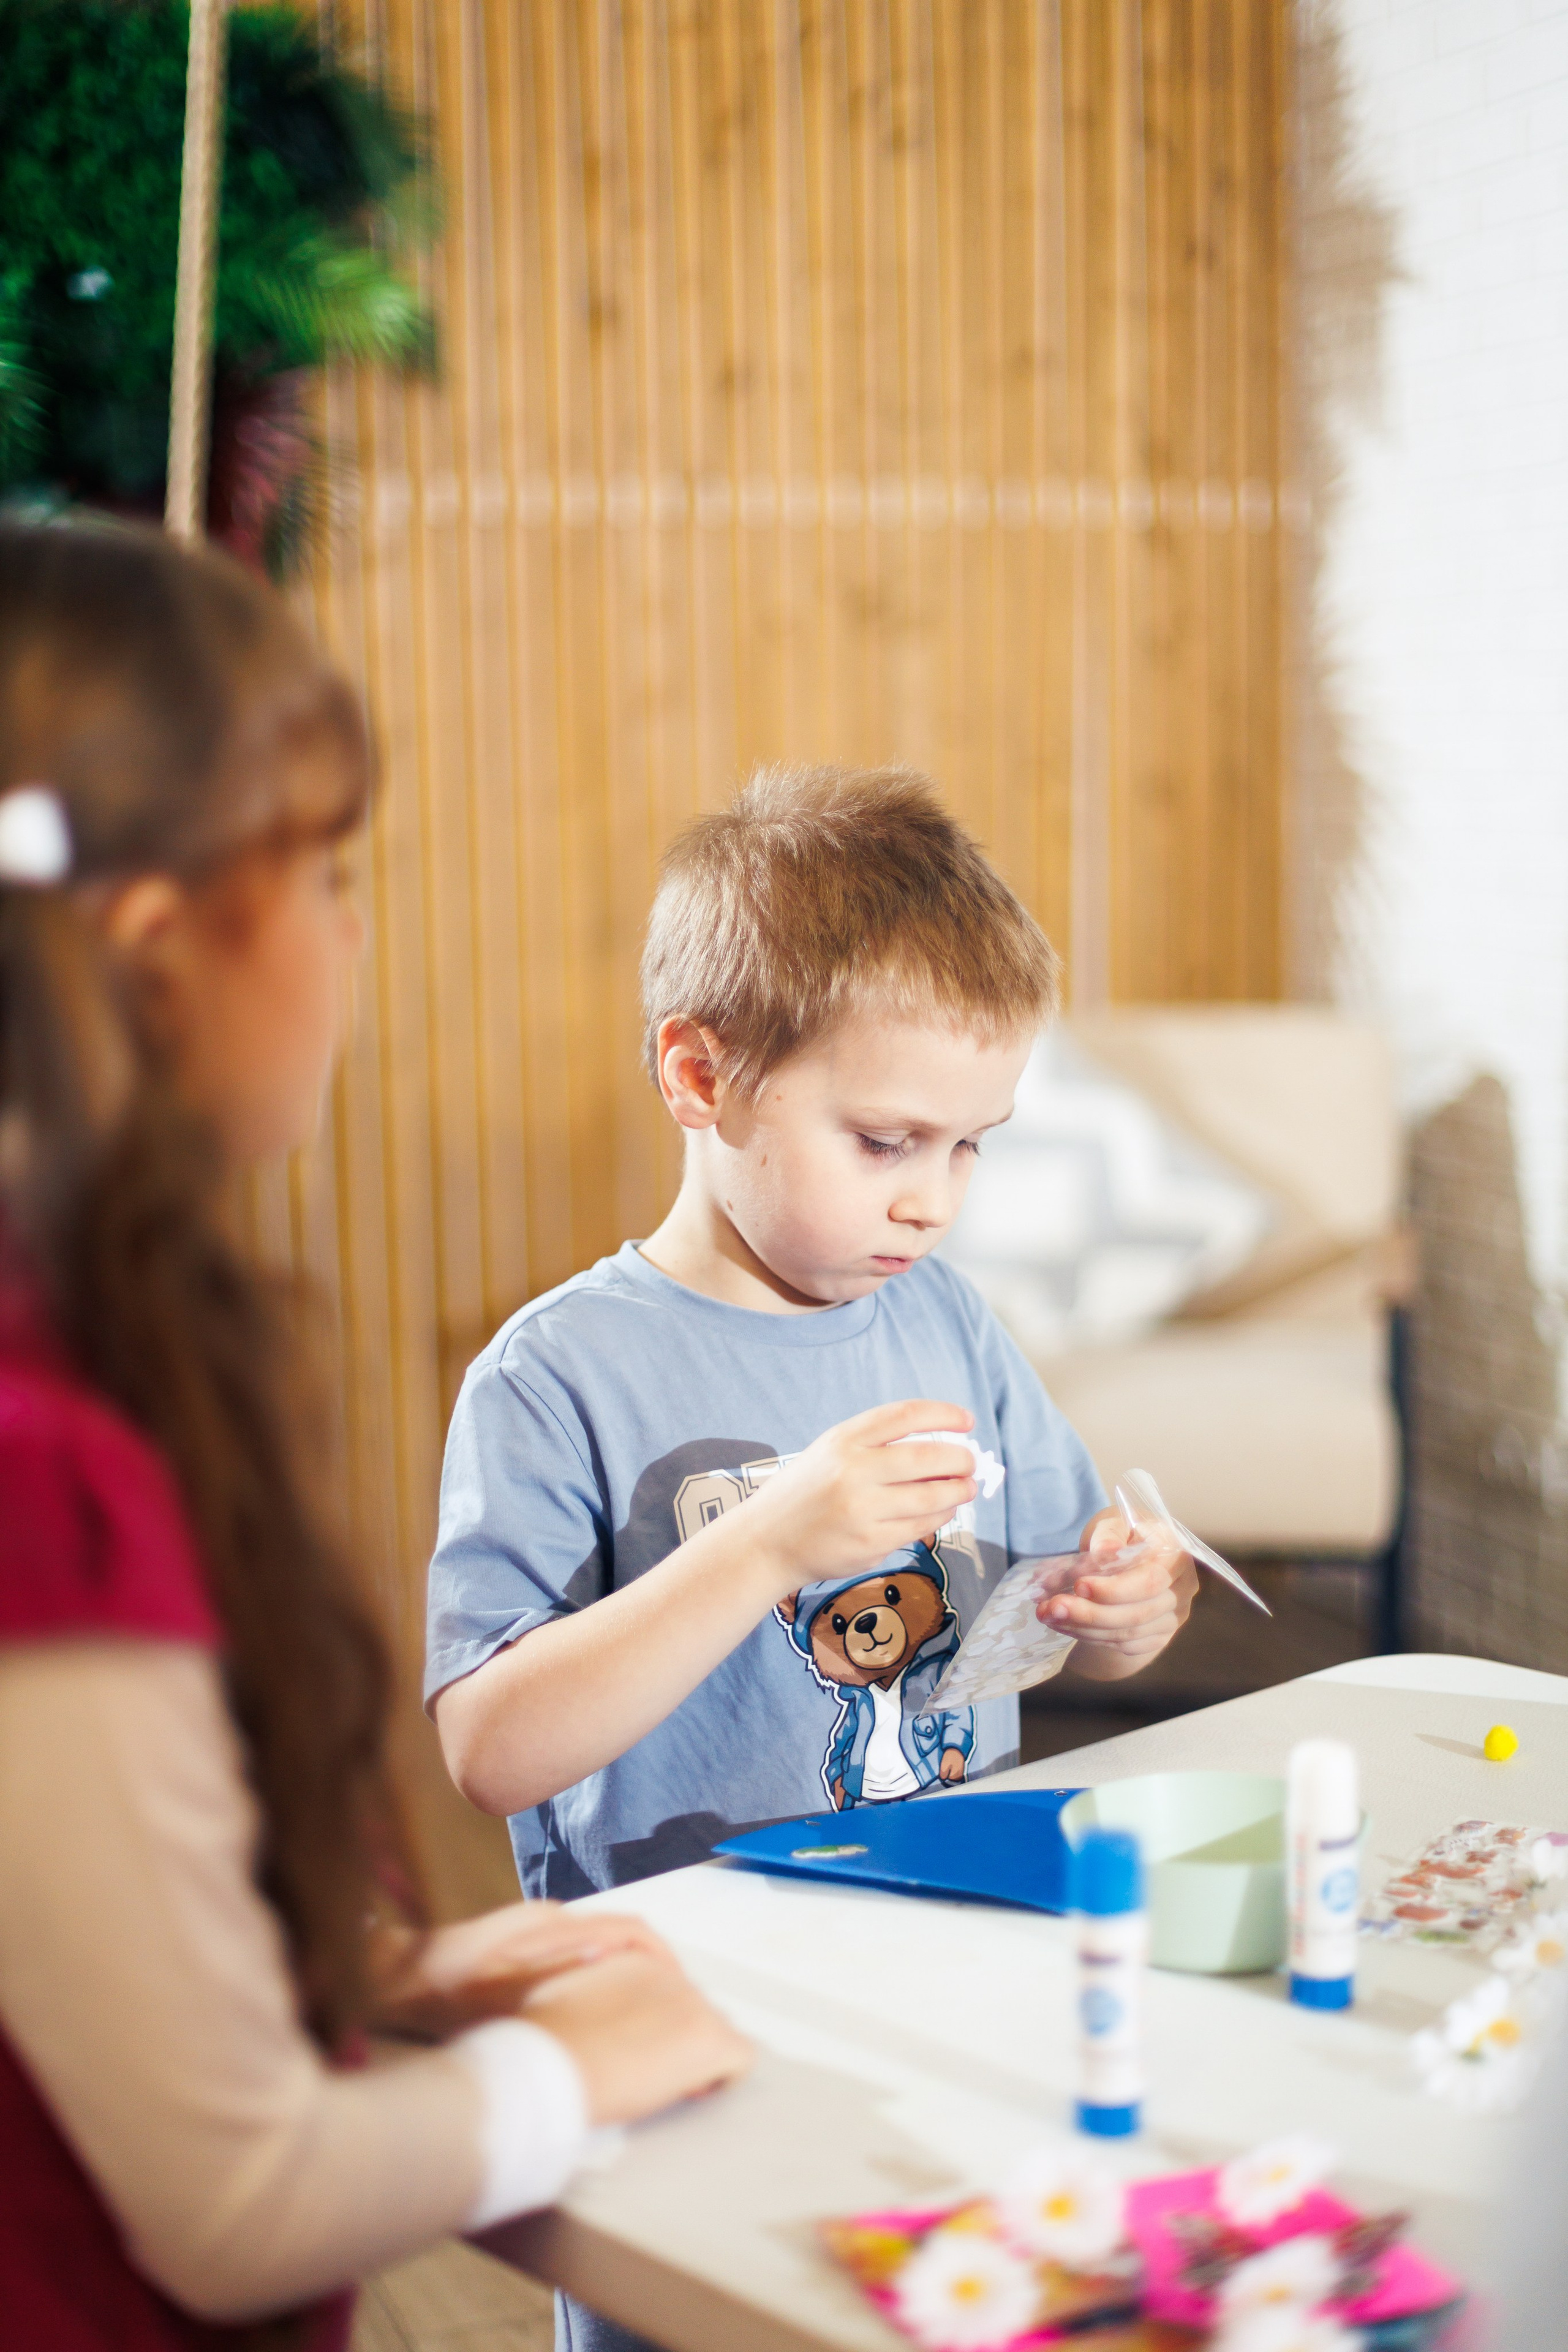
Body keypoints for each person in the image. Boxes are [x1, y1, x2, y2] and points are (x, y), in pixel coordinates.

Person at [0, 519, 750, 2351]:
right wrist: (577, 2070)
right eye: (328, 873)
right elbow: (238, 2204)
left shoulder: (107, 1350)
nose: (352, 932)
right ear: (160, 950)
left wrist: (375, 1968)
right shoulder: (39, 1467)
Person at [425, 764, 1199, 2348]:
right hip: (680, 2021)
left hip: (948, 1969)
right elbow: (492, 1750)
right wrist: (774, 1538)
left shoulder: (946, 1322)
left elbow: (1084, 1598)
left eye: (972, 1147)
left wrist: (1129, 1605)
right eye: (887, 1140)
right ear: (700, 1076)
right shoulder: (555, 1380)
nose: (933, 1203)